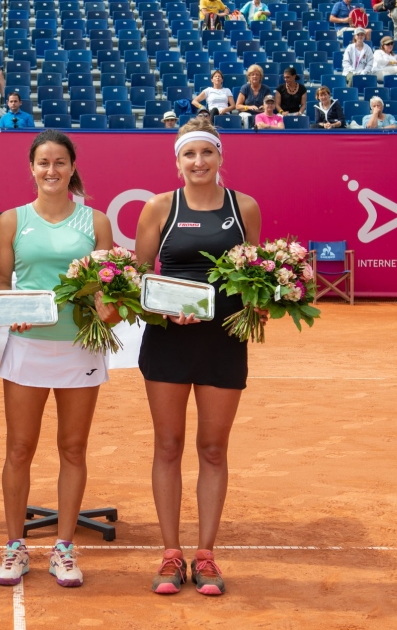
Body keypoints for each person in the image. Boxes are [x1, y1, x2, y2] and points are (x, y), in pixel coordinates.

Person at [134, 118, 263, 597]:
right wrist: (167, 308)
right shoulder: (159, 208)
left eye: (207, 153)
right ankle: (171, 553)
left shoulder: (243, 207)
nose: (199, 162)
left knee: (213, 449)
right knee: (167, 446)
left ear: (220, 157)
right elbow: (138, 282)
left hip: (224, 341)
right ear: (177, 161)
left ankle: (205, 554)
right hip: (169, 339)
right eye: (189, 155)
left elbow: (253, 277)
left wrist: (262, 304)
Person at [0, 130, 113, 589]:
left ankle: (63, 548)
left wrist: (109, 308)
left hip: (80, 347)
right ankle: (15, 546)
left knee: (73, 448)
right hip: (27, 348)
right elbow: (0, 281)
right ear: (32, 168)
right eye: (43, 162)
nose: (51, 170)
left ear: (72, 166)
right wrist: (12, 312)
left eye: (60, 162)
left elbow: (108, 287)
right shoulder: (12, 221)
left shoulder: (96, 222)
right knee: (19, 449)